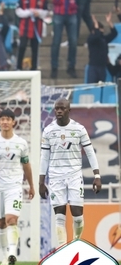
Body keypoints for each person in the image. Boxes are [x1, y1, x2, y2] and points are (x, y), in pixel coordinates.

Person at [40, 98, 101, 250]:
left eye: (62, 108)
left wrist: (97, 176)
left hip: (74, 175)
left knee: (77, 215)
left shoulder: (79, 129)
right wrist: (41, 182)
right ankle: (63, 249)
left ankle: (75, 243)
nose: (59, 111)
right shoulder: (48, 131)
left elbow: (90, 152)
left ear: (69, 110)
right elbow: (44, 157)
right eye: (56, 109)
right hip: (55, 176)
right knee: (59, 215)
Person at [0, 109, 35, 265]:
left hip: (14, 186)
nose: (5, 122)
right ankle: (5, 255)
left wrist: (31, 186)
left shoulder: (21, 143)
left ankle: (12, 253)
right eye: (2, 119)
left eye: (8, 119)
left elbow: (26, 166)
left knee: (11, 219)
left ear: (13, 122)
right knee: (1, 223)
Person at [51, 0, 78, 79]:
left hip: (71, 12)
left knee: (73, 41)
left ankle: (71, 66)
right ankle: (54, 67)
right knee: (56, 41)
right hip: (59, 12)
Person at [15, 0, 49, 70]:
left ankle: (34, 68)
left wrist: (39, 13)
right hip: (24, 27)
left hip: (37, 28)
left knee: (35, 49)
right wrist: (29, 12)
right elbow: (18, 11)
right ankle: (18, 67)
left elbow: (46, 12)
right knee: (22, 47)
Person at [86, 13, 117, 83]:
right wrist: (96, 26)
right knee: (92, 86)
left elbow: (114, 33)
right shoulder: (91, 39)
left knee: (101, 86)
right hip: (93, 67)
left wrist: (109, 22)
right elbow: (96, 36)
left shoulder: (103, 39)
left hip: (102, 67)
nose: (101, 33)